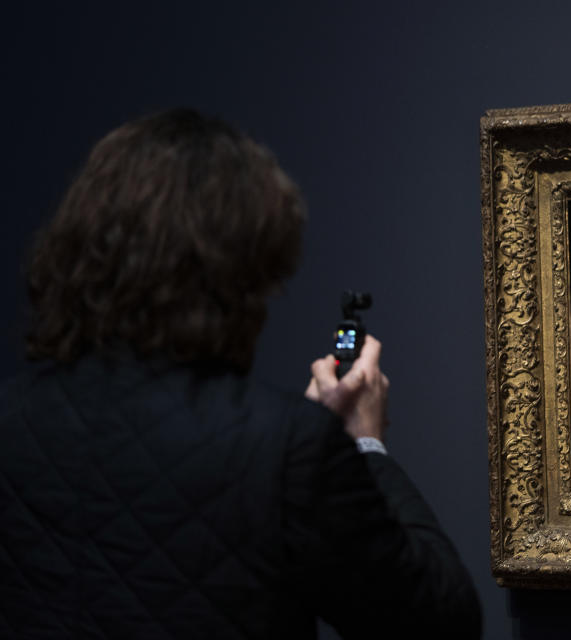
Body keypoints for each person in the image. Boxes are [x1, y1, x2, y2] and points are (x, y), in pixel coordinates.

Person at [0, 109, 481, 638]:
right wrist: (364, 444)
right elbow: (441, 622)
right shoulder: (286, 446)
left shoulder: (10, 416)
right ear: (241, 276)